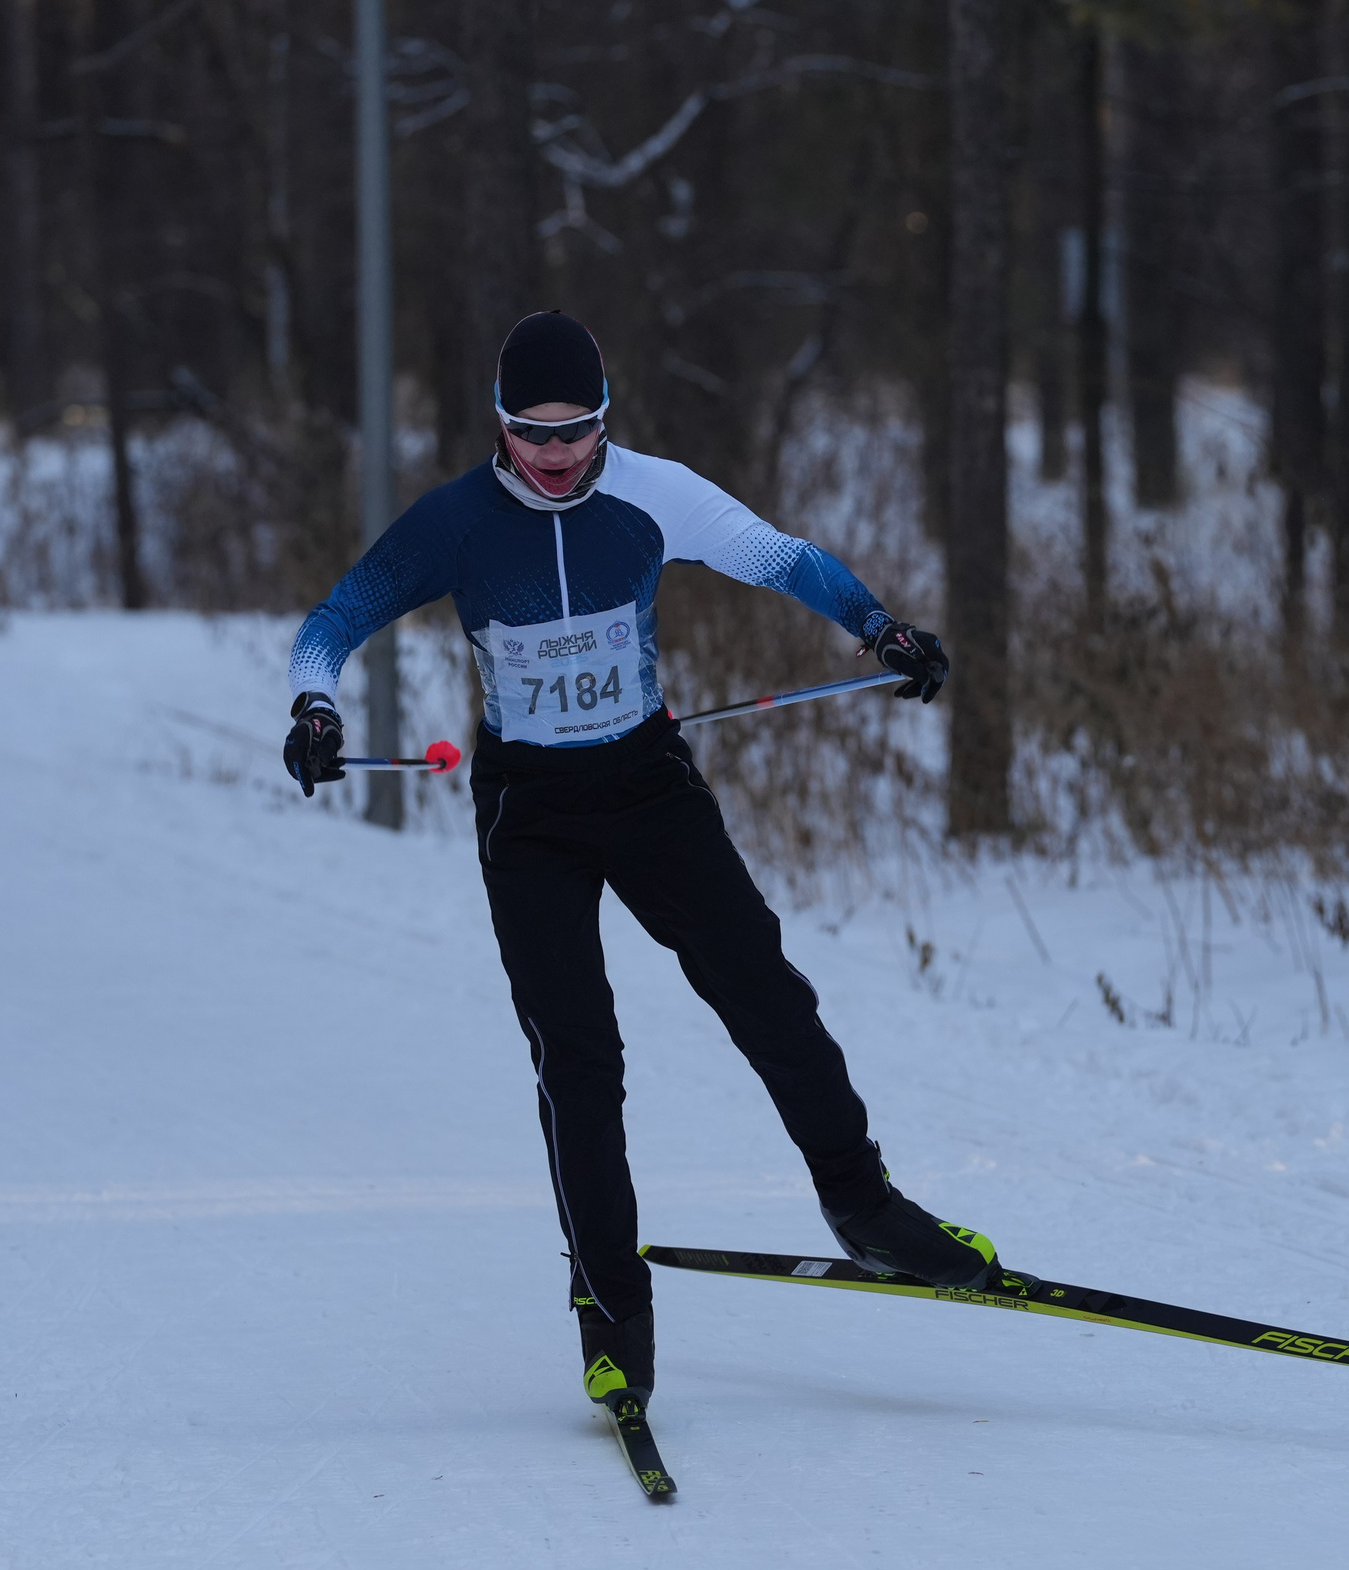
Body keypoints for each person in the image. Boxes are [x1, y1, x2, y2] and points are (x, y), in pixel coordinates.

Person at [281, 310, 1000, 1416]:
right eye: (532, 433)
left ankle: (866, 1212)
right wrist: (315, 708)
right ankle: (608, 1314)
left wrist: (876, 626)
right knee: (578, 1059)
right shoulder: (456, 523)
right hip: (530, 809)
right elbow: (334, 620)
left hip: (646, 783)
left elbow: (781, 558)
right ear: (500, 424)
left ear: (608, 421)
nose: (558, 455)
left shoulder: (654, 492)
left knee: (763, 992)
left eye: (579, 432)